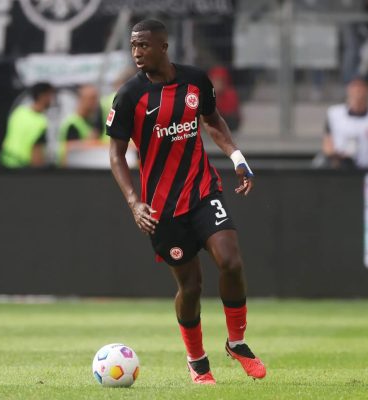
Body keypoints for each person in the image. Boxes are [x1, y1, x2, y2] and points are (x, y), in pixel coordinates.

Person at [106, 19, 266, 385]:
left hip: (202, 190)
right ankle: (197, 361)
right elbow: (116, 154)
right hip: (162, 208)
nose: (136, 52)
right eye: (133, 46)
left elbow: (213, 121)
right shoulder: (129, 95)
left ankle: (237, 343)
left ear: (163, 46)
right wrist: (134, 202)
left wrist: (237, 158)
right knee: (191, 287)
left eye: (144, 45)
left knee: (231, 261)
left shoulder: (195, 81)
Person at [322, 77, 368, 168]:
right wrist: (337, 157)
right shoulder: (335, 114)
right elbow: (327, 143)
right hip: (340, 169)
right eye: (355, 87)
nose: (358, 91)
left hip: (367, 167)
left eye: (361, 87)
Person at [0, 82, 54, 168]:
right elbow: (37, 157)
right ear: (42, 96)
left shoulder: (19, 111)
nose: (52, 99)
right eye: (51, 95)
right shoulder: (41, 123)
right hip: (21, 168)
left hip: (4, 162)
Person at [58, 84, 102, 165]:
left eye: (96, 98)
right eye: (92, 98)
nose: (95, 102)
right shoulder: (72, 124)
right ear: (81, 100)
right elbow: (72, 153)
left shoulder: (90, 121)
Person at [208, 66, 241, 131]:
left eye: (219, 81)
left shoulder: (231, 94)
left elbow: (229, 114)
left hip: (229, 124)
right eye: (214, 80)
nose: (217, 83)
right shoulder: (206, 94)